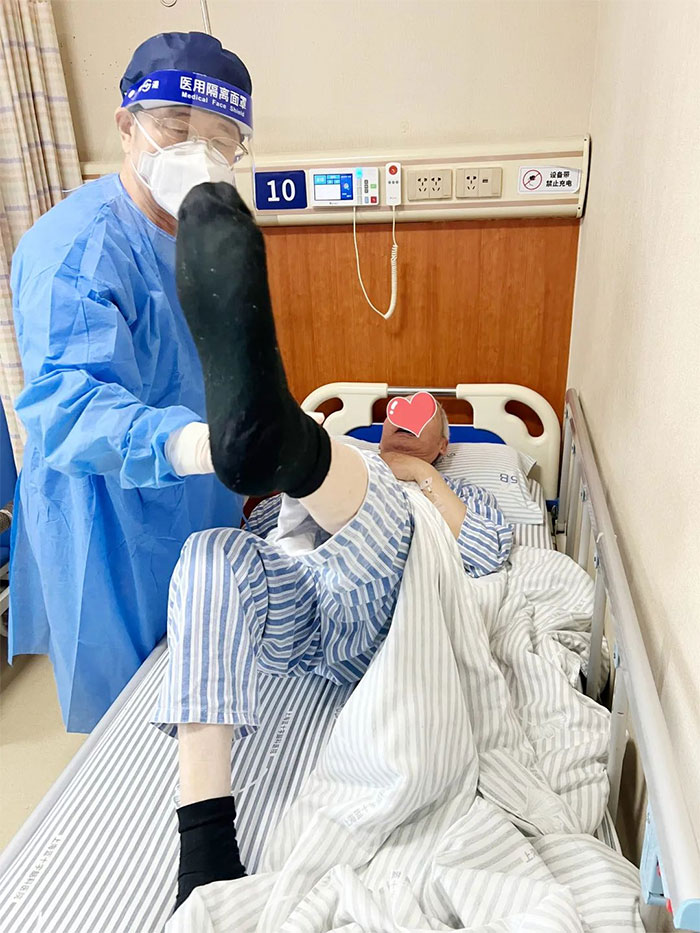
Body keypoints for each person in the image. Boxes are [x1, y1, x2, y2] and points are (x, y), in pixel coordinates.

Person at [152, 181, 514, 911]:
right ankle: (206, 853)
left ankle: (287, 442)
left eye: (425, 414)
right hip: (307, 609)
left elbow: (483, 555)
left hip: (388, 614)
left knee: (384, 507)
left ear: (446, 444)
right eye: (398, 412)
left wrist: (417, 477)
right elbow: (263, 538)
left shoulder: (452, 489)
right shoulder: (363, 456)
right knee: (210, 555)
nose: (406, 415)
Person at [8, 32, 255, 732]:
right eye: (177, 127)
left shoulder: (208, 235)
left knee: (203, 676)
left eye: (221, 140)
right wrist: (191, 445)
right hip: (108, 525)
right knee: (132, 725)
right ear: (127, 125)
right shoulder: (77, 250)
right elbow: (70, 406)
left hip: (199, 498)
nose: (199, 153)